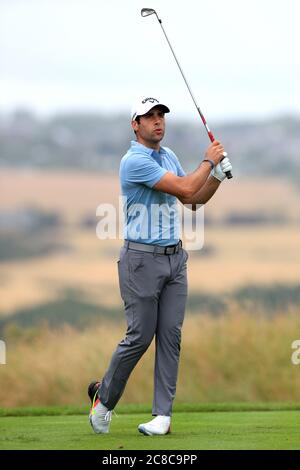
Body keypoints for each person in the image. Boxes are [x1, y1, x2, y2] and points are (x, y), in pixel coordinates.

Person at [88, 96, 232, 435]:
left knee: (170, 336)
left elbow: (191, 200)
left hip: (175, 260)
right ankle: (104, 401)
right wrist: (209, 161)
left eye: (161, 115)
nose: (157, 121)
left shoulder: (168, 156)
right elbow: (183, 185)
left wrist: (218, 178)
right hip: (141, 261)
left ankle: (162, 417)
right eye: (149, 116)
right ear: (135, 125)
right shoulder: (133, 161)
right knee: (139, 336)